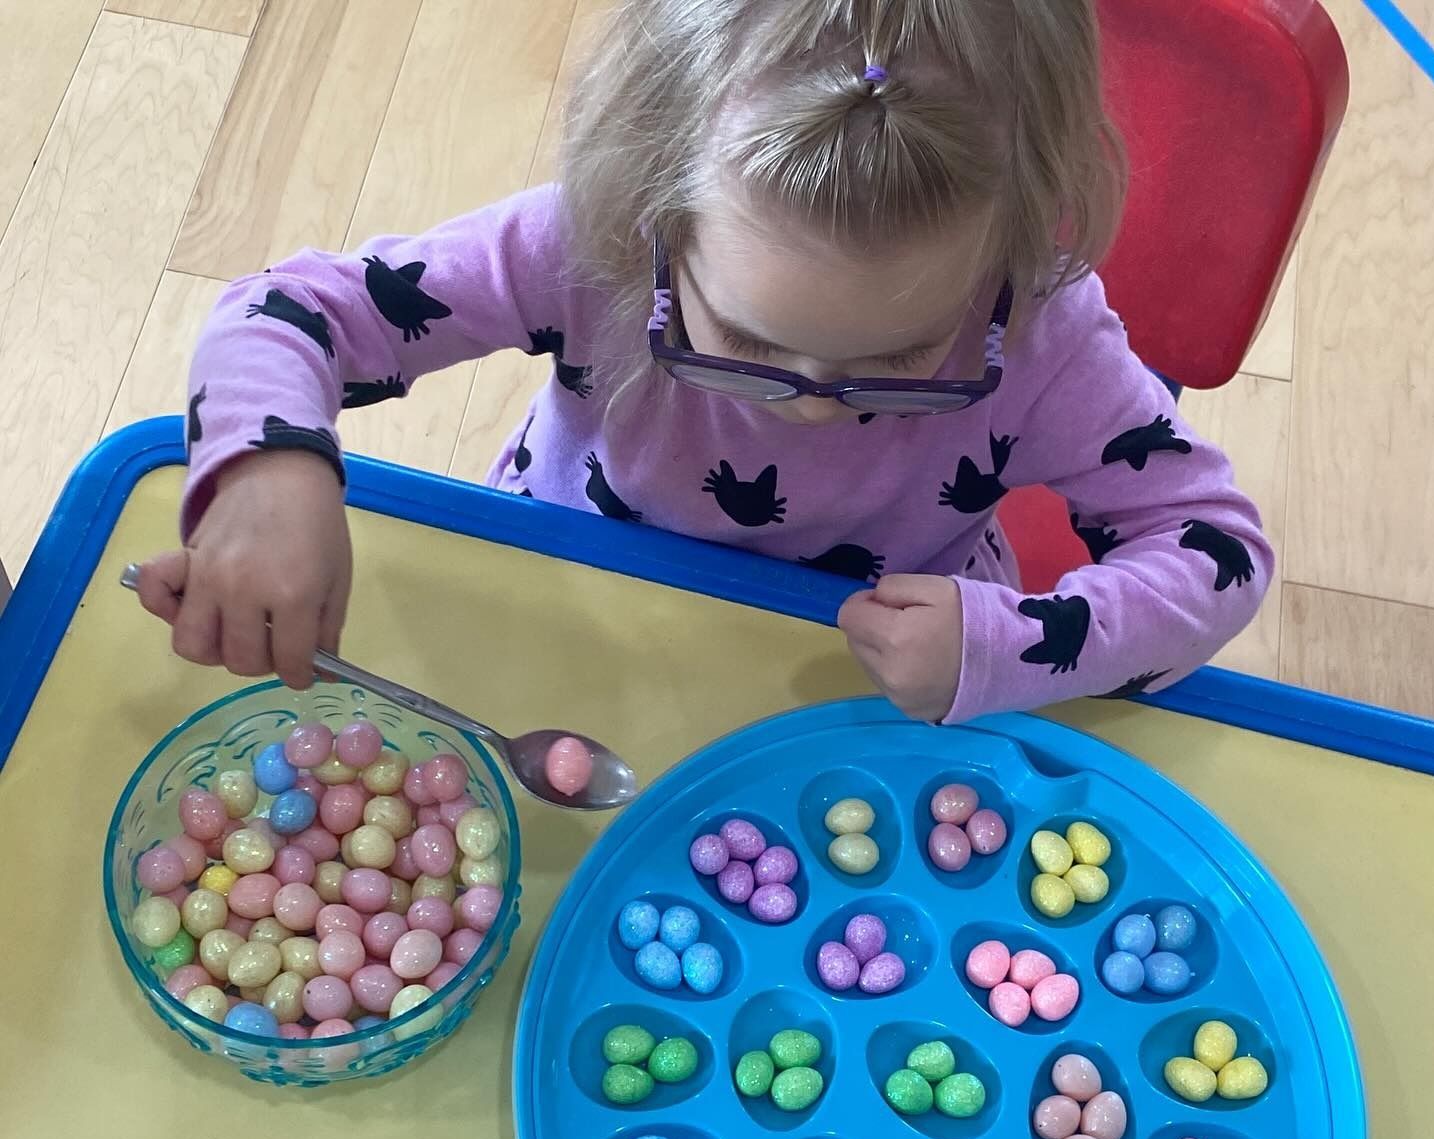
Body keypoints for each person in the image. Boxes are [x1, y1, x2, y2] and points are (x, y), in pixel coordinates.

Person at [137, 0, 1270, 722]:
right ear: (652, 203)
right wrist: (267, 472)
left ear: (1021, 238)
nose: (817, 409)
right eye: (750, 346)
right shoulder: (583, 242)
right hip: (561, 602)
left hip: (873, 687)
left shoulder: (1044, 335)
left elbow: (1219, 551)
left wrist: (1012, 649)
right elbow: (286, 312)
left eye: (897, 357)